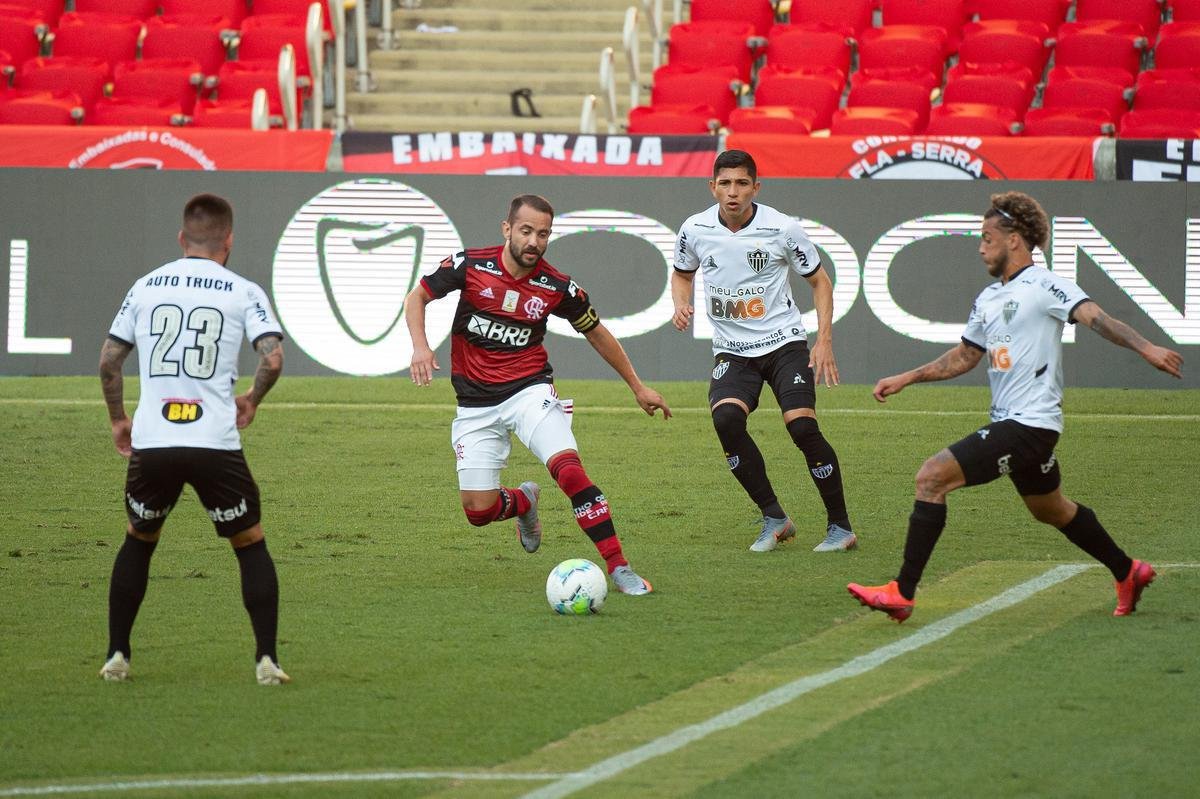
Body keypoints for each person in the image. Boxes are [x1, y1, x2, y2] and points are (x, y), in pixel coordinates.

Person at [848, 191, 1184, 623]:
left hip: (1030, 424)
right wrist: (907, 378)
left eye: (988, 237)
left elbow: (1099, 318)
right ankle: (1128, 570)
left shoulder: (1047, 286)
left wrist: (1146, 348)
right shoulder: (988, 298)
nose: (980, 245)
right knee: (1051, 509)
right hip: (1015, 423)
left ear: (1016, 240)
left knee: (931, 478)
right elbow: (966, 356)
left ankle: (901, 592)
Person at [404, 193, 671, 596]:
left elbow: (596, 332)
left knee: (569, 470)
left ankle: (618, 567)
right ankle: (524, 502)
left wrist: (637, 386)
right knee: (479, 511)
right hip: (475, 405)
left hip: (529, 391)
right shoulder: (471, 266)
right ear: (507, 229)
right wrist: (421, 346)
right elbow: (417, 297)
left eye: (543, 234)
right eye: (526, 231)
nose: (534, 241)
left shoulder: (556, 286)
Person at [98, 193, 290, 684]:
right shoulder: (243, 291)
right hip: (213, 442)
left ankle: (117, 655)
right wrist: (252, 399)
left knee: (139, 540)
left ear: (182, 238)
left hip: (154, 441)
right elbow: (271, 358)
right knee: (249, 543)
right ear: (229, 241)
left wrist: (120, 418)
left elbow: (109, 362)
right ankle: (266, 660)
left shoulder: (144, 287)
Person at [672, 149, 857, 553]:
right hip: (732, 350)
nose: (733, 192)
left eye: (741, 184)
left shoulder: (783, 229)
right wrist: (679, 302)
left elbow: (820, 282)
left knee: (802, 427)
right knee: (726, 422)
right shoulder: (695, 228)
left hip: (784, 344)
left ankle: (840, 527)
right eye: (725, 183)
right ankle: (774, 516)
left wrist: (823, 339)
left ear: (756, 187)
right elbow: (682, 273)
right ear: (712, 187)